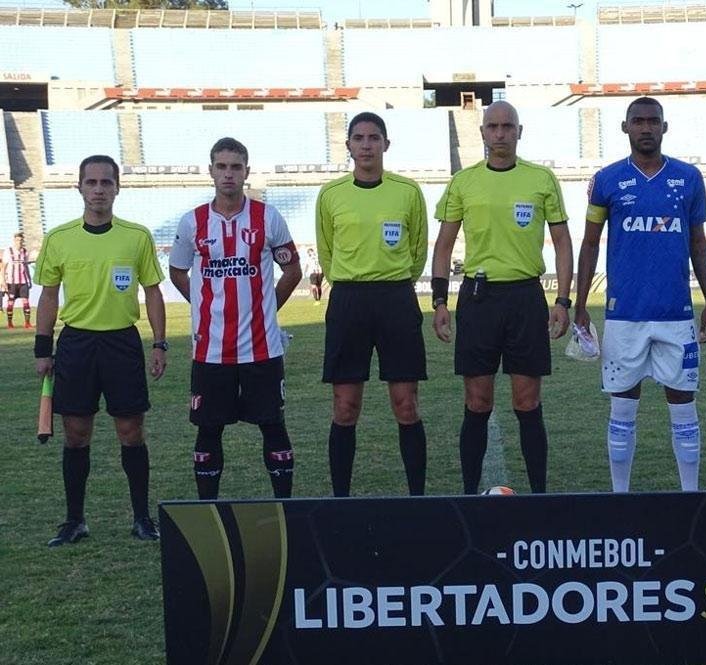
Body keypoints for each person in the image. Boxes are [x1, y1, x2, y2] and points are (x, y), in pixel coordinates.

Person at [575, 96, 706, 493]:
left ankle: (690, 495)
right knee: (622, 408)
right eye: (637, 121)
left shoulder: (689, 178)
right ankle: (620, 496)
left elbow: (698, 243)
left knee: (684, 408)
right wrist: (580, 303)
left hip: (676, 315)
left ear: (664, 127)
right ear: (625, 127)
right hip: (625, 316)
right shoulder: (606, 180)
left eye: (653, 121)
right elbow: (590, 243)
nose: (645, 128)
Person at [431, 100, 574, 495]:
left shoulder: (541, 179)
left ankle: (539, 496)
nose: (499, 133)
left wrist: (563, 300)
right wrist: (440, 302)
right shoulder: (463, 182)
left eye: (507, 126)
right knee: (477, 402)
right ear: (482, 132)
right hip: (478, 299)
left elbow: (563, 242)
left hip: (525, 297)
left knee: (527, 402)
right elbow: (443, 245)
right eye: (492, 126)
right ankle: (468, 496)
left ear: (519, 131)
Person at [33, 155, 167, 546]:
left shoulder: (136, 236)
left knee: (131, 431)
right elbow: (48, 296)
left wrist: (159, 343)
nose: (98, 190)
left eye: (106, 182)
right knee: (76, 434)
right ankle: (75, 521)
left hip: (122, 343)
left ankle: (142, 518)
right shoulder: (59, 238)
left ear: (117, 188)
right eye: (90, 182)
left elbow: (153, 292)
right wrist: (43, 348)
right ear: (78, 187)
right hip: (76, 343)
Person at [169, 137, 302, 500]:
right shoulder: (192, 221)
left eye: (236, 167)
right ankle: (207, 510)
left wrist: (267, 309)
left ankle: (284, 507)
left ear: (246, 171)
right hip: (211, 350)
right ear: (210, 171)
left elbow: (292, 270)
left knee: (273, 424)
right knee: (209, 429)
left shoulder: (267, 217)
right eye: (222, 166)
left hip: (263, 348)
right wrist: (202, 306)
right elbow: (177, 271)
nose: (228, 174)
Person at [316, 111, 429, 497]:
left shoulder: (407, 191)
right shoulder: (331, 195)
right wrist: (351, 282)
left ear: (386, 144)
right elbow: (327, 251)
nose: (366, 145)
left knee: (406, 404)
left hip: (396, 299)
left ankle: (417, 501)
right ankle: (341, 502)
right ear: (348, 145)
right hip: (349, 301)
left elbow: (417, 251)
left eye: (374, 138)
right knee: (345, 406)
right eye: (359, 138)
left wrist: (395, 281)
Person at [2, 231, 33, 328]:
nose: (19, 242)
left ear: (22, 241)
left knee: (26, 301)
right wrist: (3, 281)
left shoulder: (25, 251)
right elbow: (3, 267)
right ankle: (10, 323)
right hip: (12, 282)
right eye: (17, 240)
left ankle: (27, 323)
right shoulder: (8, 251)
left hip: (23, 281)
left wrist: (29, 280)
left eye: (20, 240)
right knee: (11, 302)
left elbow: (26, 266)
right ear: (14, 241)